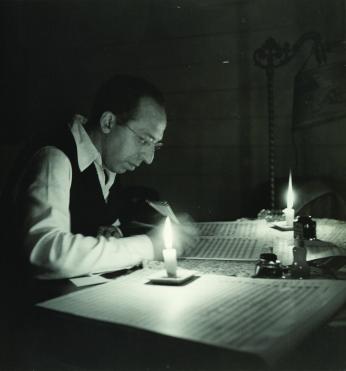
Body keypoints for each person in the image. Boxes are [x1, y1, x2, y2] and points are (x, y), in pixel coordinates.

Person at [2, 74, 197, 280]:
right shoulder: (54, 157)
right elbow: (45, 252)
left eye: (155, 144)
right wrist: (151, 246)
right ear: (108, 122)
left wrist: (116, 232)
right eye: (143, 140)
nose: (149, 158)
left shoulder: (106, 163)